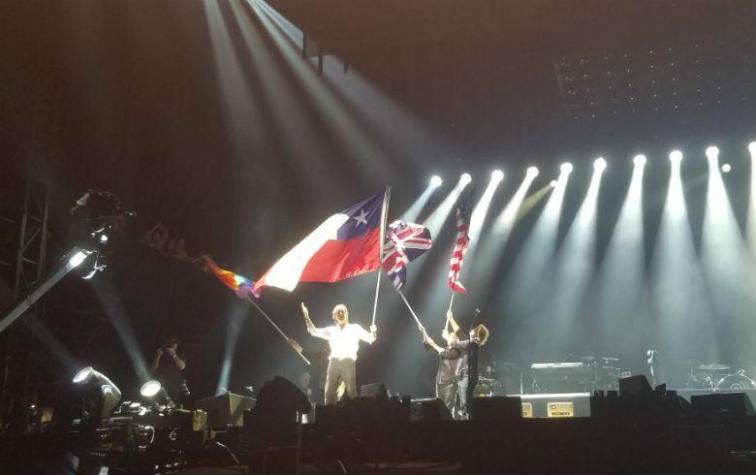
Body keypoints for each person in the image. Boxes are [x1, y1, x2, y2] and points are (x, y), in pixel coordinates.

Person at [301, 302, 377, 405]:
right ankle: (329, 413)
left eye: (343, 311)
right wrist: (306, 316)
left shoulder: (355, 328)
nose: (341, 314)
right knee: (329, 391)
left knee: (351, 390)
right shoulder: (332, 331)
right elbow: (313, 331)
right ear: (334, 316)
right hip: (334, 360)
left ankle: (356, 410)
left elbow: (370, 338)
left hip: (348, 359)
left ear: (347, 314)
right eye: (338, 312)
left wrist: (373, 331)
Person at [422, 310, 489, 419]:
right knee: (464, 404)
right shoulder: (470, 342)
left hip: (468, 377)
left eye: (475, 330)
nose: (472, 330)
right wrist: (451, 318)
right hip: (464, 377)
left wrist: (446, 336)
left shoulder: (473, 344)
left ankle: (467, 419)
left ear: (477, 336)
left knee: (465, 405)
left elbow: (457, 341)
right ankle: (466, 417)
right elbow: (460, 334)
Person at [151, 336, 189, 405]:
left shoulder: (180, 355)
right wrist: (158, 356)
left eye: (174, 344)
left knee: (172, 405)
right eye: (171, 343)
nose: (172, 345)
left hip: (174, 385)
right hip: (160, 384)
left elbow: (182, 366)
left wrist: (174, 355)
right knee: (159, 404)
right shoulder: (161, 354)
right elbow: (153, 369)